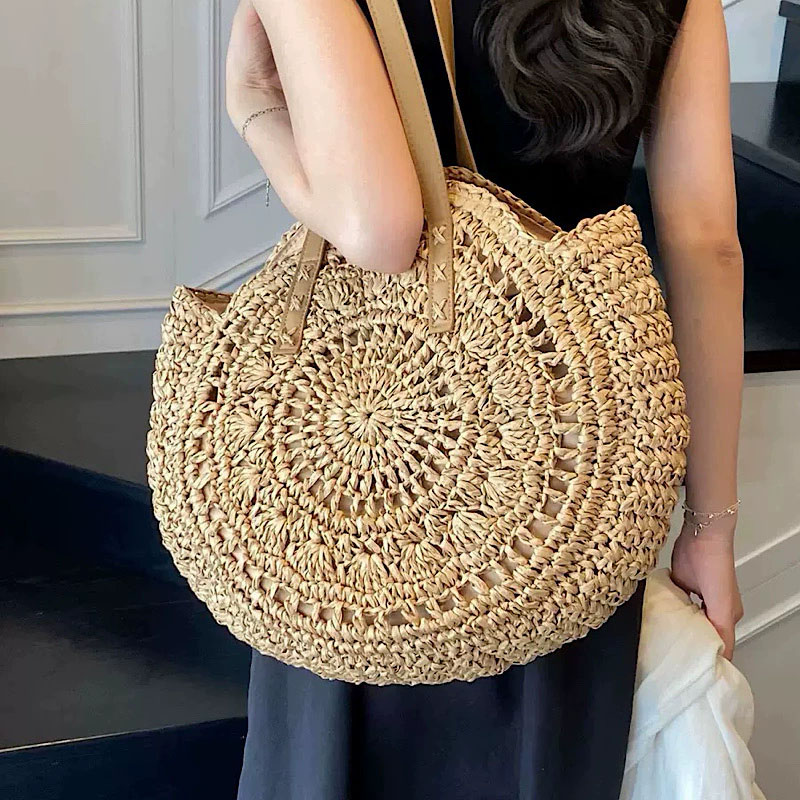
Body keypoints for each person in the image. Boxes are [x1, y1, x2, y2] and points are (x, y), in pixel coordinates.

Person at [225, 1, 744, 798]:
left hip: (372, 458)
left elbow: (379, 227)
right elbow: (706, 241)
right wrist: (709, 528)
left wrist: (256, 106)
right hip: (573, 471)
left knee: (335, 758)